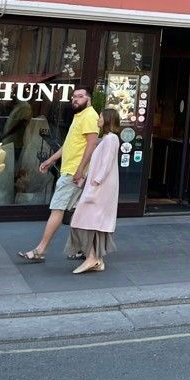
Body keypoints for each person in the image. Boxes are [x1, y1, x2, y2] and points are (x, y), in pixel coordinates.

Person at [18, 87, 100, 263]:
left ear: (88, 99)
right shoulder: (79, 116)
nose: (75, 99)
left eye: (80, 96)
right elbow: (69, 144)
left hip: (73, 172)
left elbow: (91, 145)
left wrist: (80, 170)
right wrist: (51, 160)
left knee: (57, 208)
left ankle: (40, 250)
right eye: (73, 97)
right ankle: (87, 250)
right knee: (78, 212)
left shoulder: (89, 116)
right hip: (70, 169)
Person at [65, 108, 122, 274]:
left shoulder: (110, 139)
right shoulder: (108, 138)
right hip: (98, 187)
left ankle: (92, 257)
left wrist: (95, 182)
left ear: (107, 120)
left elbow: (106, 164)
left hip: (99, 189)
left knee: (82, 220)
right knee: (93, 223)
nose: (98, 120)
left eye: (101, 117)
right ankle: (97, 259)